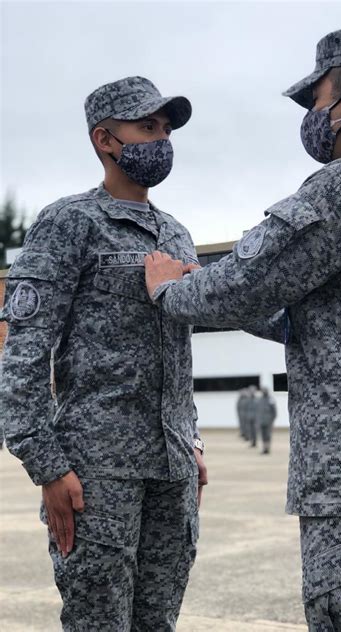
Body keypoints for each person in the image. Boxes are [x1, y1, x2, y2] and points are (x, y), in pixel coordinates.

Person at [143, 27, 341, 630]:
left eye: (317, 100)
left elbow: (243, 283)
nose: (314, 116)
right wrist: (224, 295)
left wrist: (169, 286)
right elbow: (328, 317)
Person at [0, 76, 207, 632]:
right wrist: (47, 464)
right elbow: (23, 352)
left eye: (165, 128)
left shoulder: (177, 235)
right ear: (105, 140)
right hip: (96, 473)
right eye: (147, 127)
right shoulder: (69, 223)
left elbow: (179, 357)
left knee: (157, 622)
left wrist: (192, 440)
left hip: (172, 472)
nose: (161, 138)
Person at [256, 387, 277, 454]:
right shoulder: (260, 399)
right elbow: (258, 411)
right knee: (262, 435)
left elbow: (274, 412)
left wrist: (271, 420)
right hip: (261, 421)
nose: (264, 392)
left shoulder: (271, 399)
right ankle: (264, 448)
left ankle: (267, 448)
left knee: (268, 435)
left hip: (268, 421)